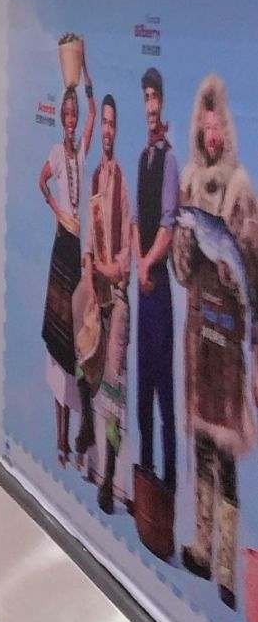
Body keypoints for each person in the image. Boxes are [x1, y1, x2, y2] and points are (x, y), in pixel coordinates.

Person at [173, 74, 258, 609]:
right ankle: (202, 546)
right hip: (196, 340)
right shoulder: (187, 183)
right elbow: (181, 270)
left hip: (227, 345)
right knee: (201, 444)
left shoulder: (242, 189)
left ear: (225, 129)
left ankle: (227, 564)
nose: (211, 135)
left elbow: (252, 272)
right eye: (204, 127)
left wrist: (232, 268)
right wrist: (185, 244)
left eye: (217, 125)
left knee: (225, 452)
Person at [38, 64, 97, 473]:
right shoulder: (58, 154)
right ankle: (59, 438)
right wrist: (58, 211)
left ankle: (75, 436)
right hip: (63, 245)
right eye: (69, 114)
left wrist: (85, 72)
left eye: (75, 114)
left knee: (78, 343)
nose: (73, 120)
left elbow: (93, 118)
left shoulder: (81, 152)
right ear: (62, 118)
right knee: (59, 346)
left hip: (79, 248)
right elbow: (41, 182)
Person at [134, 66, 179, 504]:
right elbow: (136, 221)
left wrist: (147, 264)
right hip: (142, 283)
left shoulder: (168, 160)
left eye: (154, 97)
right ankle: (145, 477)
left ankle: (168, 485)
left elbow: (168, 224)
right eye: (145, 97)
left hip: (158, 287)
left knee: (164, 390)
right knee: (142, 389)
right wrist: (136, 259)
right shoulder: (142, 158)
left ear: (162, 103)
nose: (150, 105)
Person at [88, 94, 134, 515]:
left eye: (112, 124)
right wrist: (90, 271)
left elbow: (124, 261)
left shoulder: (121, 183)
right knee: (88, 373)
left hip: (117, 303)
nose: (106, 130)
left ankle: (108, 477)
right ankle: (93, 460)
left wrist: (106, 270)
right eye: (102, 123)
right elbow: (91, 240)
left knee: (113, 398)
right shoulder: (95, 178)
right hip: (96, 298)